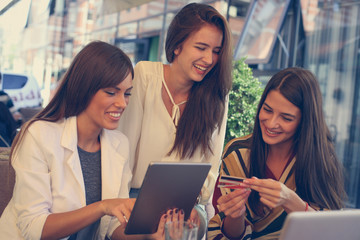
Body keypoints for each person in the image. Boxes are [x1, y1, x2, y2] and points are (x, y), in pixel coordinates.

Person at [0, 41, 168, 240]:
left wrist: (148, 234)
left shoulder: (119, 143)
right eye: (111, 92)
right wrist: (103, 207)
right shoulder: (39, 135)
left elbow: (112, 226)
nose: (122, 103)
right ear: (84, 88)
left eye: (127, 93)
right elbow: (33, 228)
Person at [118, 2, 233, 236]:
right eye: (201, 47)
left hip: (189, 205)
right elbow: (123, 154)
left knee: (181, 228)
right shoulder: (145, 76)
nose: (209, 59)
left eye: (216, 51)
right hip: (135, 199)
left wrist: (190, 205)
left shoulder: (217, 95)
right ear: (178, 45)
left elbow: (210, 168)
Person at [208, 67, 347, 239]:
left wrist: (290, 200)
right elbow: (225, 232)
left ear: (305, 121)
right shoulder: (238, 153)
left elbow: (330, 232)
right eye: (267, 110)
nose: (272, 123)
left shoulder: (322, 160)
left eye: (286, 118)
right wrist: (234, 216)